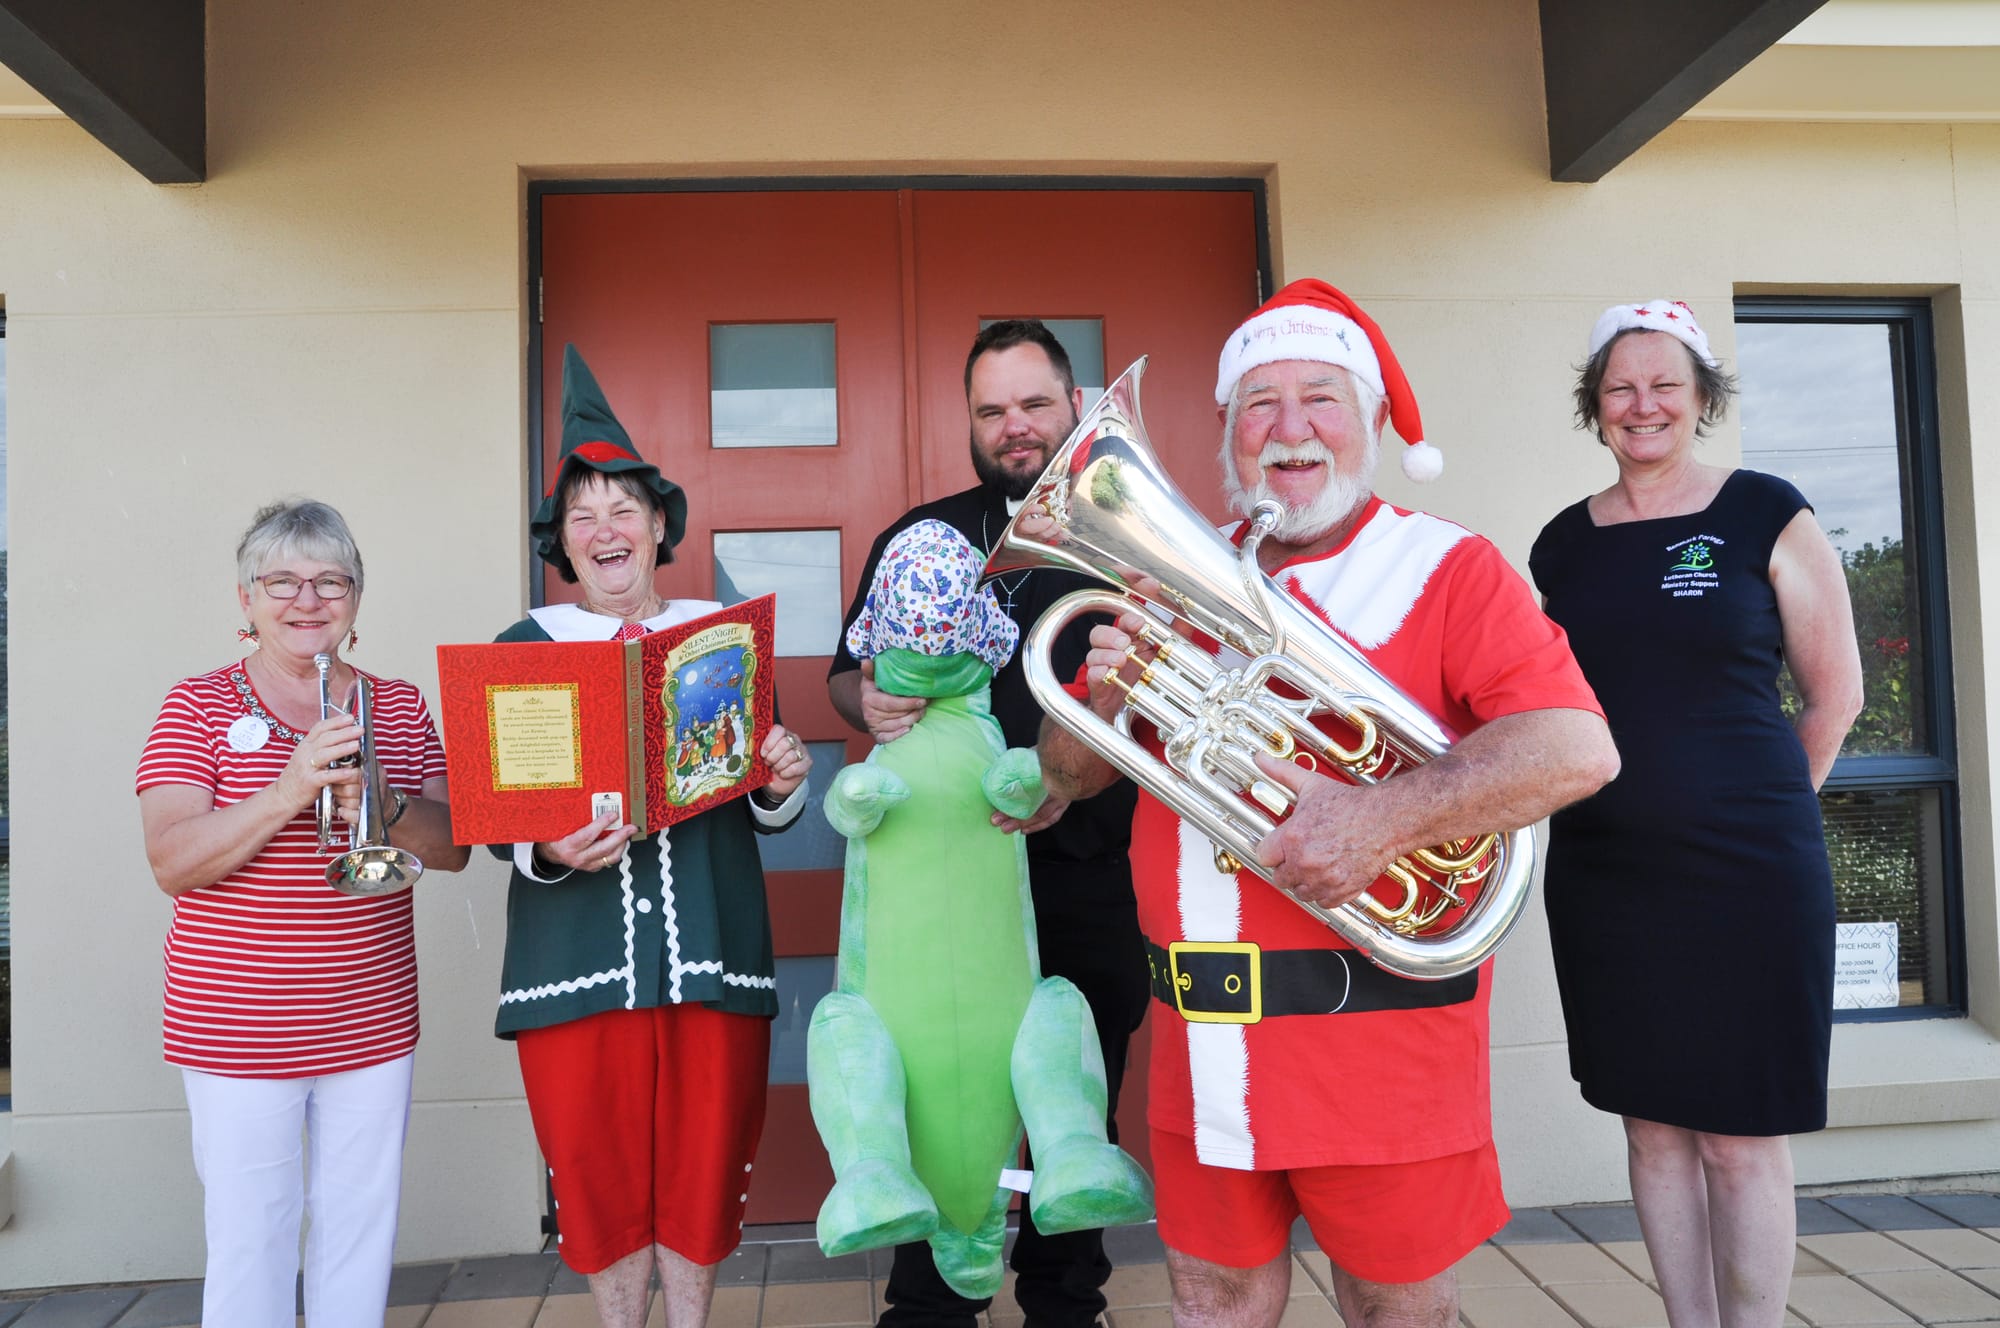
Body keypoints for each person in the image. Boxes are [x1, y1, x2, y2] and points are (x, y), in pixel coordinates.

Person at [1038, 280, 1621, 1328]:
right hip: (1198, 1032)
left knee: (1391, 1306)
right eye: (1257, 404)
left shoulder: (1449, 567)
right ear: (1226, 431)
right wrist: (1108, 705)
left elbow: (1574, 746)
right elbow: (1061, 777)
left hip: (1378, 1038)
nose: (1288, 429)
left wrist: (1380, 817)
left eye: (1319, 398)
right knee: (1209, 1297)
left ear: (1369, 425)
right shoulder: (1171, 571)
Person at [1529, 301, 1863, 1328]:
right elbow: (1536, 704)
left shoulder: (1764, 510)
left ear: (1701, 398)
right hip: (1607, 878)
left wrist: (1753, 814)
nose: (1642, 404)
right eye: (1620, 386)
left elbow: (1835, 693)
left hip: (1748, 874)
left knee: (1739, 1132)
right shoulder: (1560, 546)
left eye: (1663, 384)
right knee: (1652, 1130)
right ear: (1594, 405)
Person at [828, 320, 1147, 1328]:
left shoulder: (1132, 536)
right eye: (990, 409)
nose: (1013, 427)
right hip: (945, 889)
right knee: (931, 1098)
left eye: (1032, 403)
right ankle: (928, 1306)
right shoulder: (917, 535)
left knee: (1071, 1107)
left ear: (1074, 403)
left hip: (1080, 867)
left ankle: (1065, 1305)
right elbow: (848, 671)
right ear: (968, 420)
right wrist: (864, 703)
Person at [492, 345, 813, 1328]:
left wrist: (782, 782)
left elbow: (764, 796)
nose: (604, 528)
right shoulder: (521, 649)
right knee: (594, 1167)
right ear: (563, 541)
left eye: (622, 506)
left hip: (711, 950)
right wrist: (547, 852)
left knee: (704, 1163)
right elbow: (507, 816)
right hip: (572, 959)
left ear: (659, 522)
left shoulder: (724, 637)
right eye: (581, 513)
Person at [136, 499, 470, 1328]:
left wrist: (381, 801)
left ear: (357, 599)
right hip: (238, 1024)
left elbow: (456, 844)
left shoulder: (397, 704)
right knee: (253, 1235)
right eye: (281, 580)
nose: (307, 599)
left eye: (331, 580)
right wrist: (291, 789)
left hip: (371, 1017)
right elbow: (172, 860)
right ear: (245, 599)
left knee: (358, 1233)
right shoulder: (199, 704)